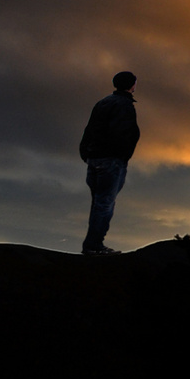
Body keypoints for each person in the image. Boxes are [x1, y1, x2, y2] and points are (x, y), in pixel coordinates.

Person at [78, 71, 140, 255]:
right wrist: (122, 156)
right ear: (132, 85)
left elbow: (89, 129)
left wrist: (86, 153)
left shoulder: (103, 102)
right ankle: (94, 246)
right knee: (105, 204)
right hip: (111, 160)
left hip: (94, 158)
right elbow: (123, 134)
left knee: (98, 203)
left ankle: (93, 244)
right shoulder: (125, 105)